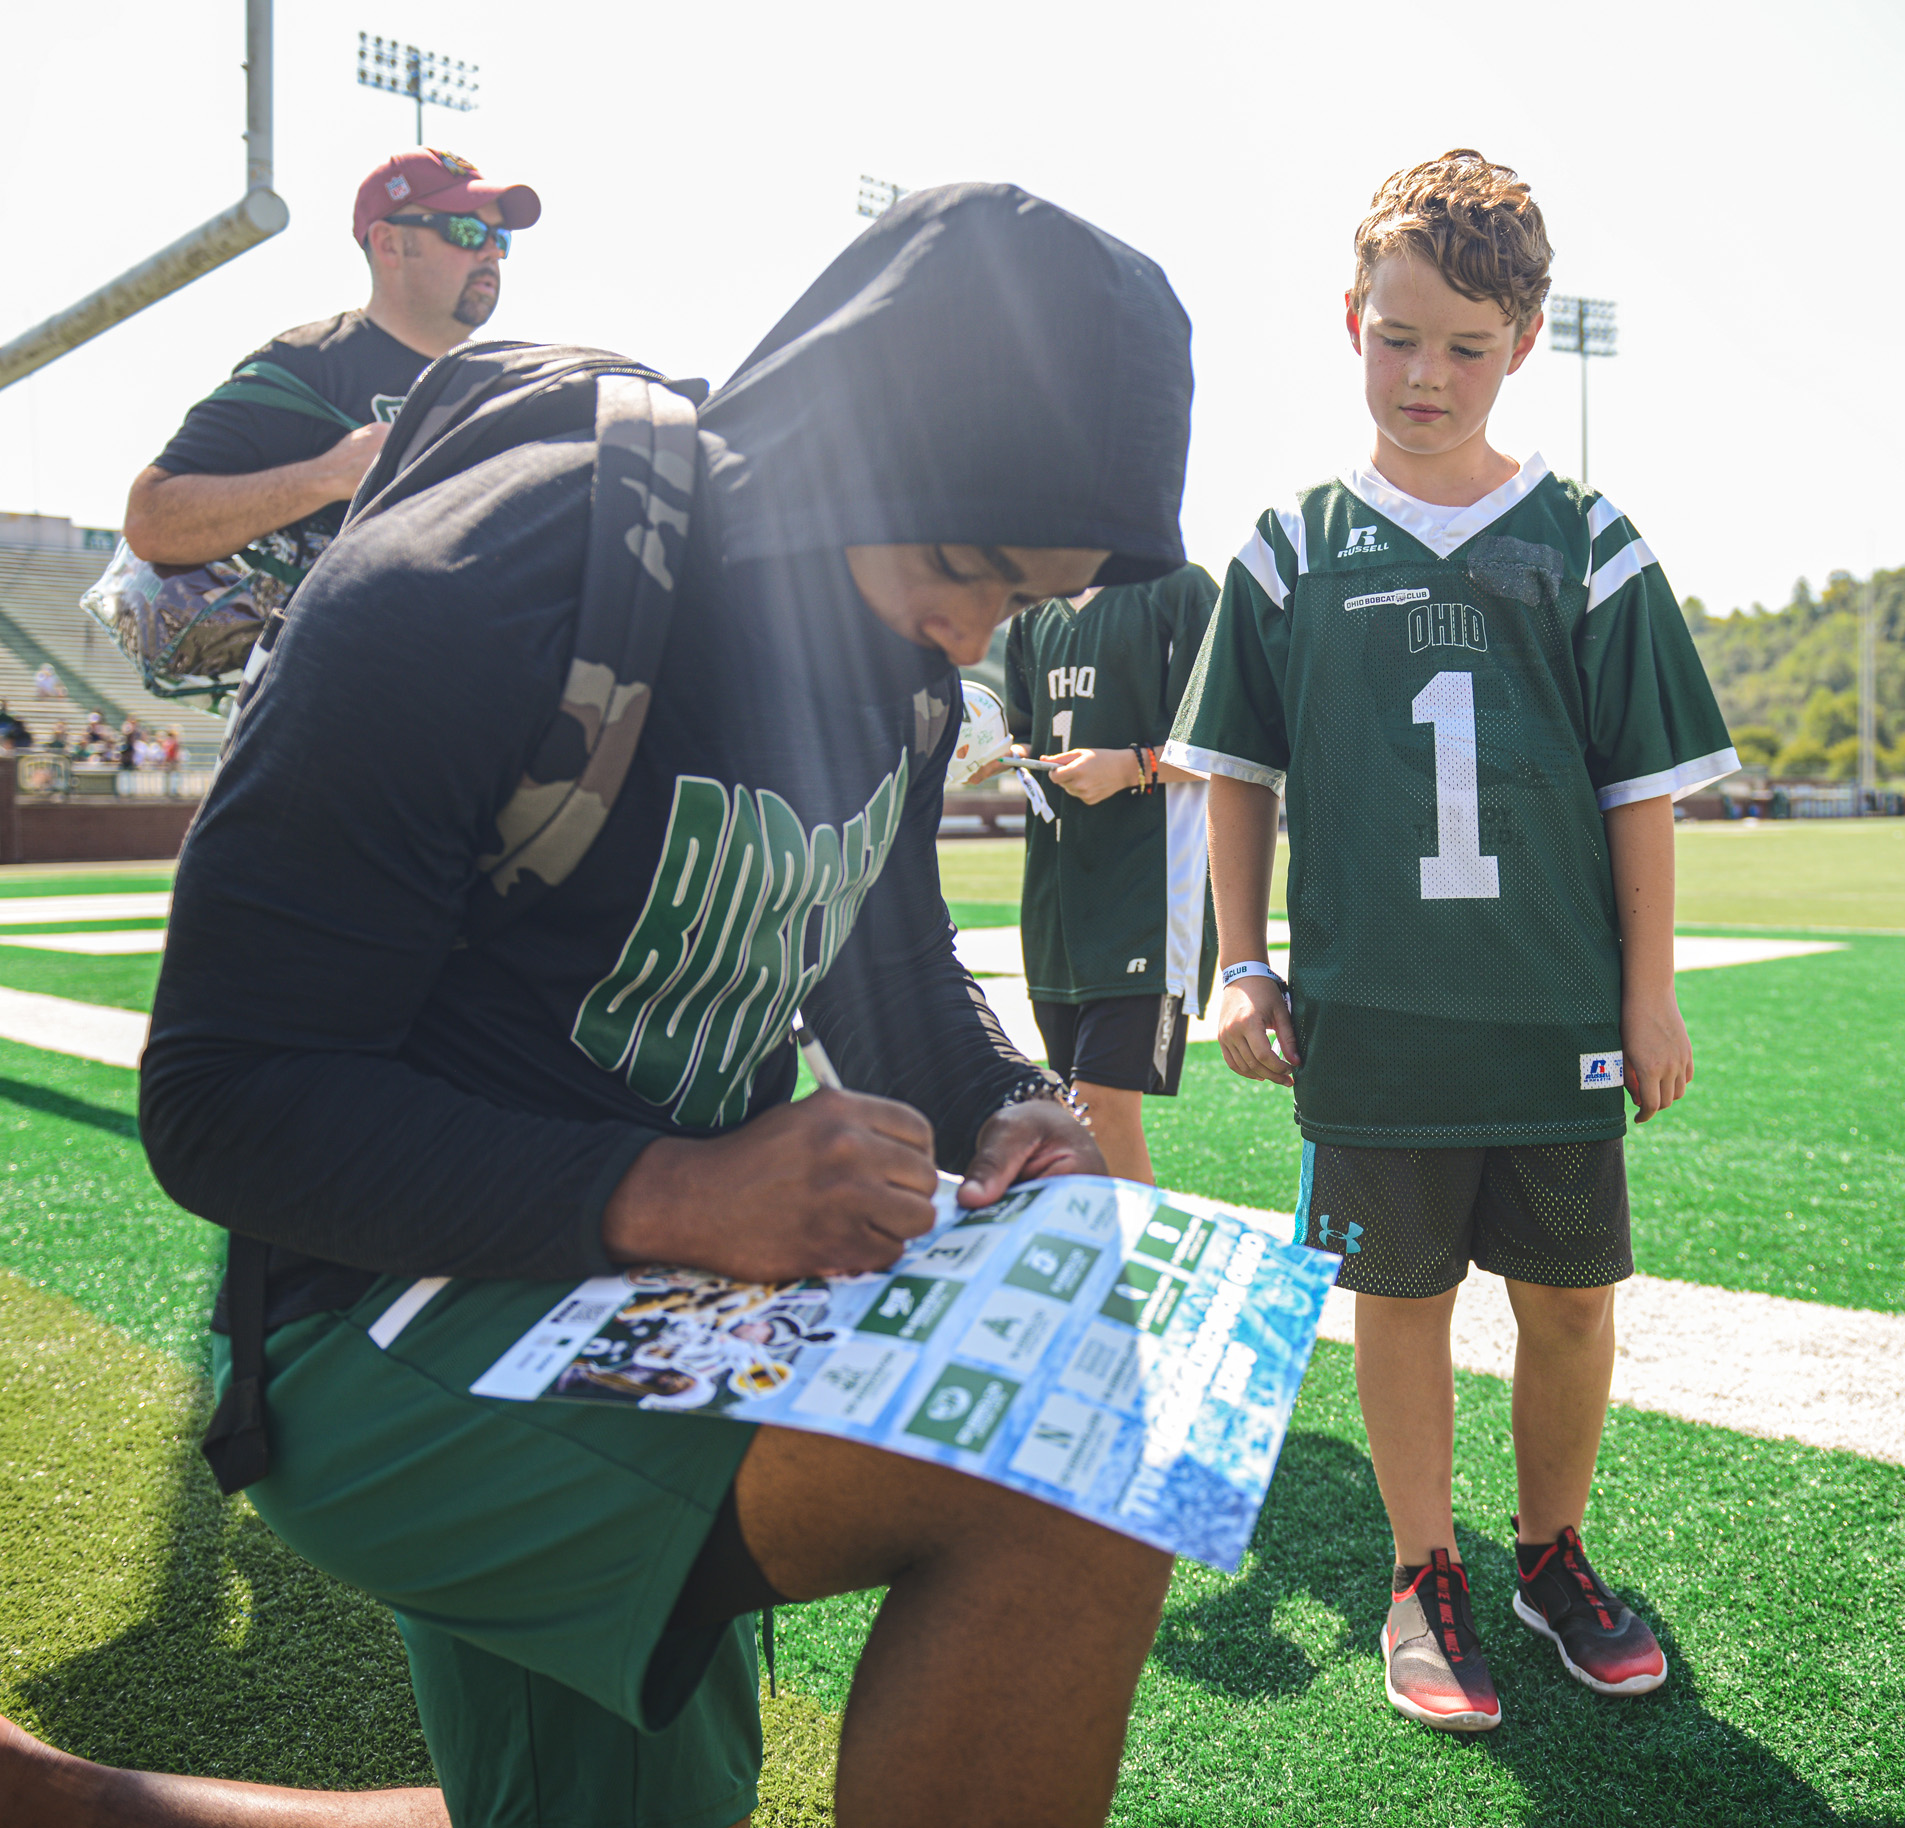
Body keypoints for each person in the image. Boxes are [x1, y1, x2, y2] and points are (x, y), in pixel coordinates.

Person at [5, 184, 1195, 1828]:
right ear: (858, 436)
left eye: (1029, 595)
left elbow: (892, 959)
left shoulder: (901, 661)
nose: (972, 630)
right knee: (1064, 1467)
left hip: (641, 1291)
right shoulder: (475, 588)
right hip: (386, 1316)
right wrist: (677, 1186)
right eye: (963, 562)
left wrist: (1009, 1102)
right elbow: (224, 1095)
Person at [1167, 150, 1738, 1734]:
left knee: (1567, 1301)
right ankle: (1426, 1570)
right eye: (1398, 336)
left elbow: (1639, 792)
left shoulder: (1585, 537)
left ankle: (1551, 1553)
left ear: (1526, 342)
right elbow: (1238, 779)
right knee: (1400, 1303)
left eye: (1466, 348)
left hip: (1548, 1008)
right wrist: (1241, 963)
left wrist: (1650, 994)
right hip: (1370, 1014)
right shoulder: (1287, 546)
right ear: (1349, 319)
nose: (1427, 376)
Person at [121, 148, 540, 580]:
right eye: (466, 230)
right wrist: (325, 477)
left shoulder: (514, 388)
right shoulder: (308, 368)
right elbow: (149, 521)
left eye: (500, 236)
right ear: (389, 243)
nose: (493, 252)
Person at [968, 565, 1219, 1182]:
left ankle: (1135, 1278)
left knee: (1103, 1107)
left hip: (1149, 891)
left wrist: (1132, 765)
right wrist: (995, 756)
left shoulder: (1180, 589)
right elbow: (1030, 738)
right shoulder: (1034, 610)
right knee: (1074, 1112)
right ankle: (1103, 1268)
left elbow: (1230, 737)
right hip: (1056, 893)